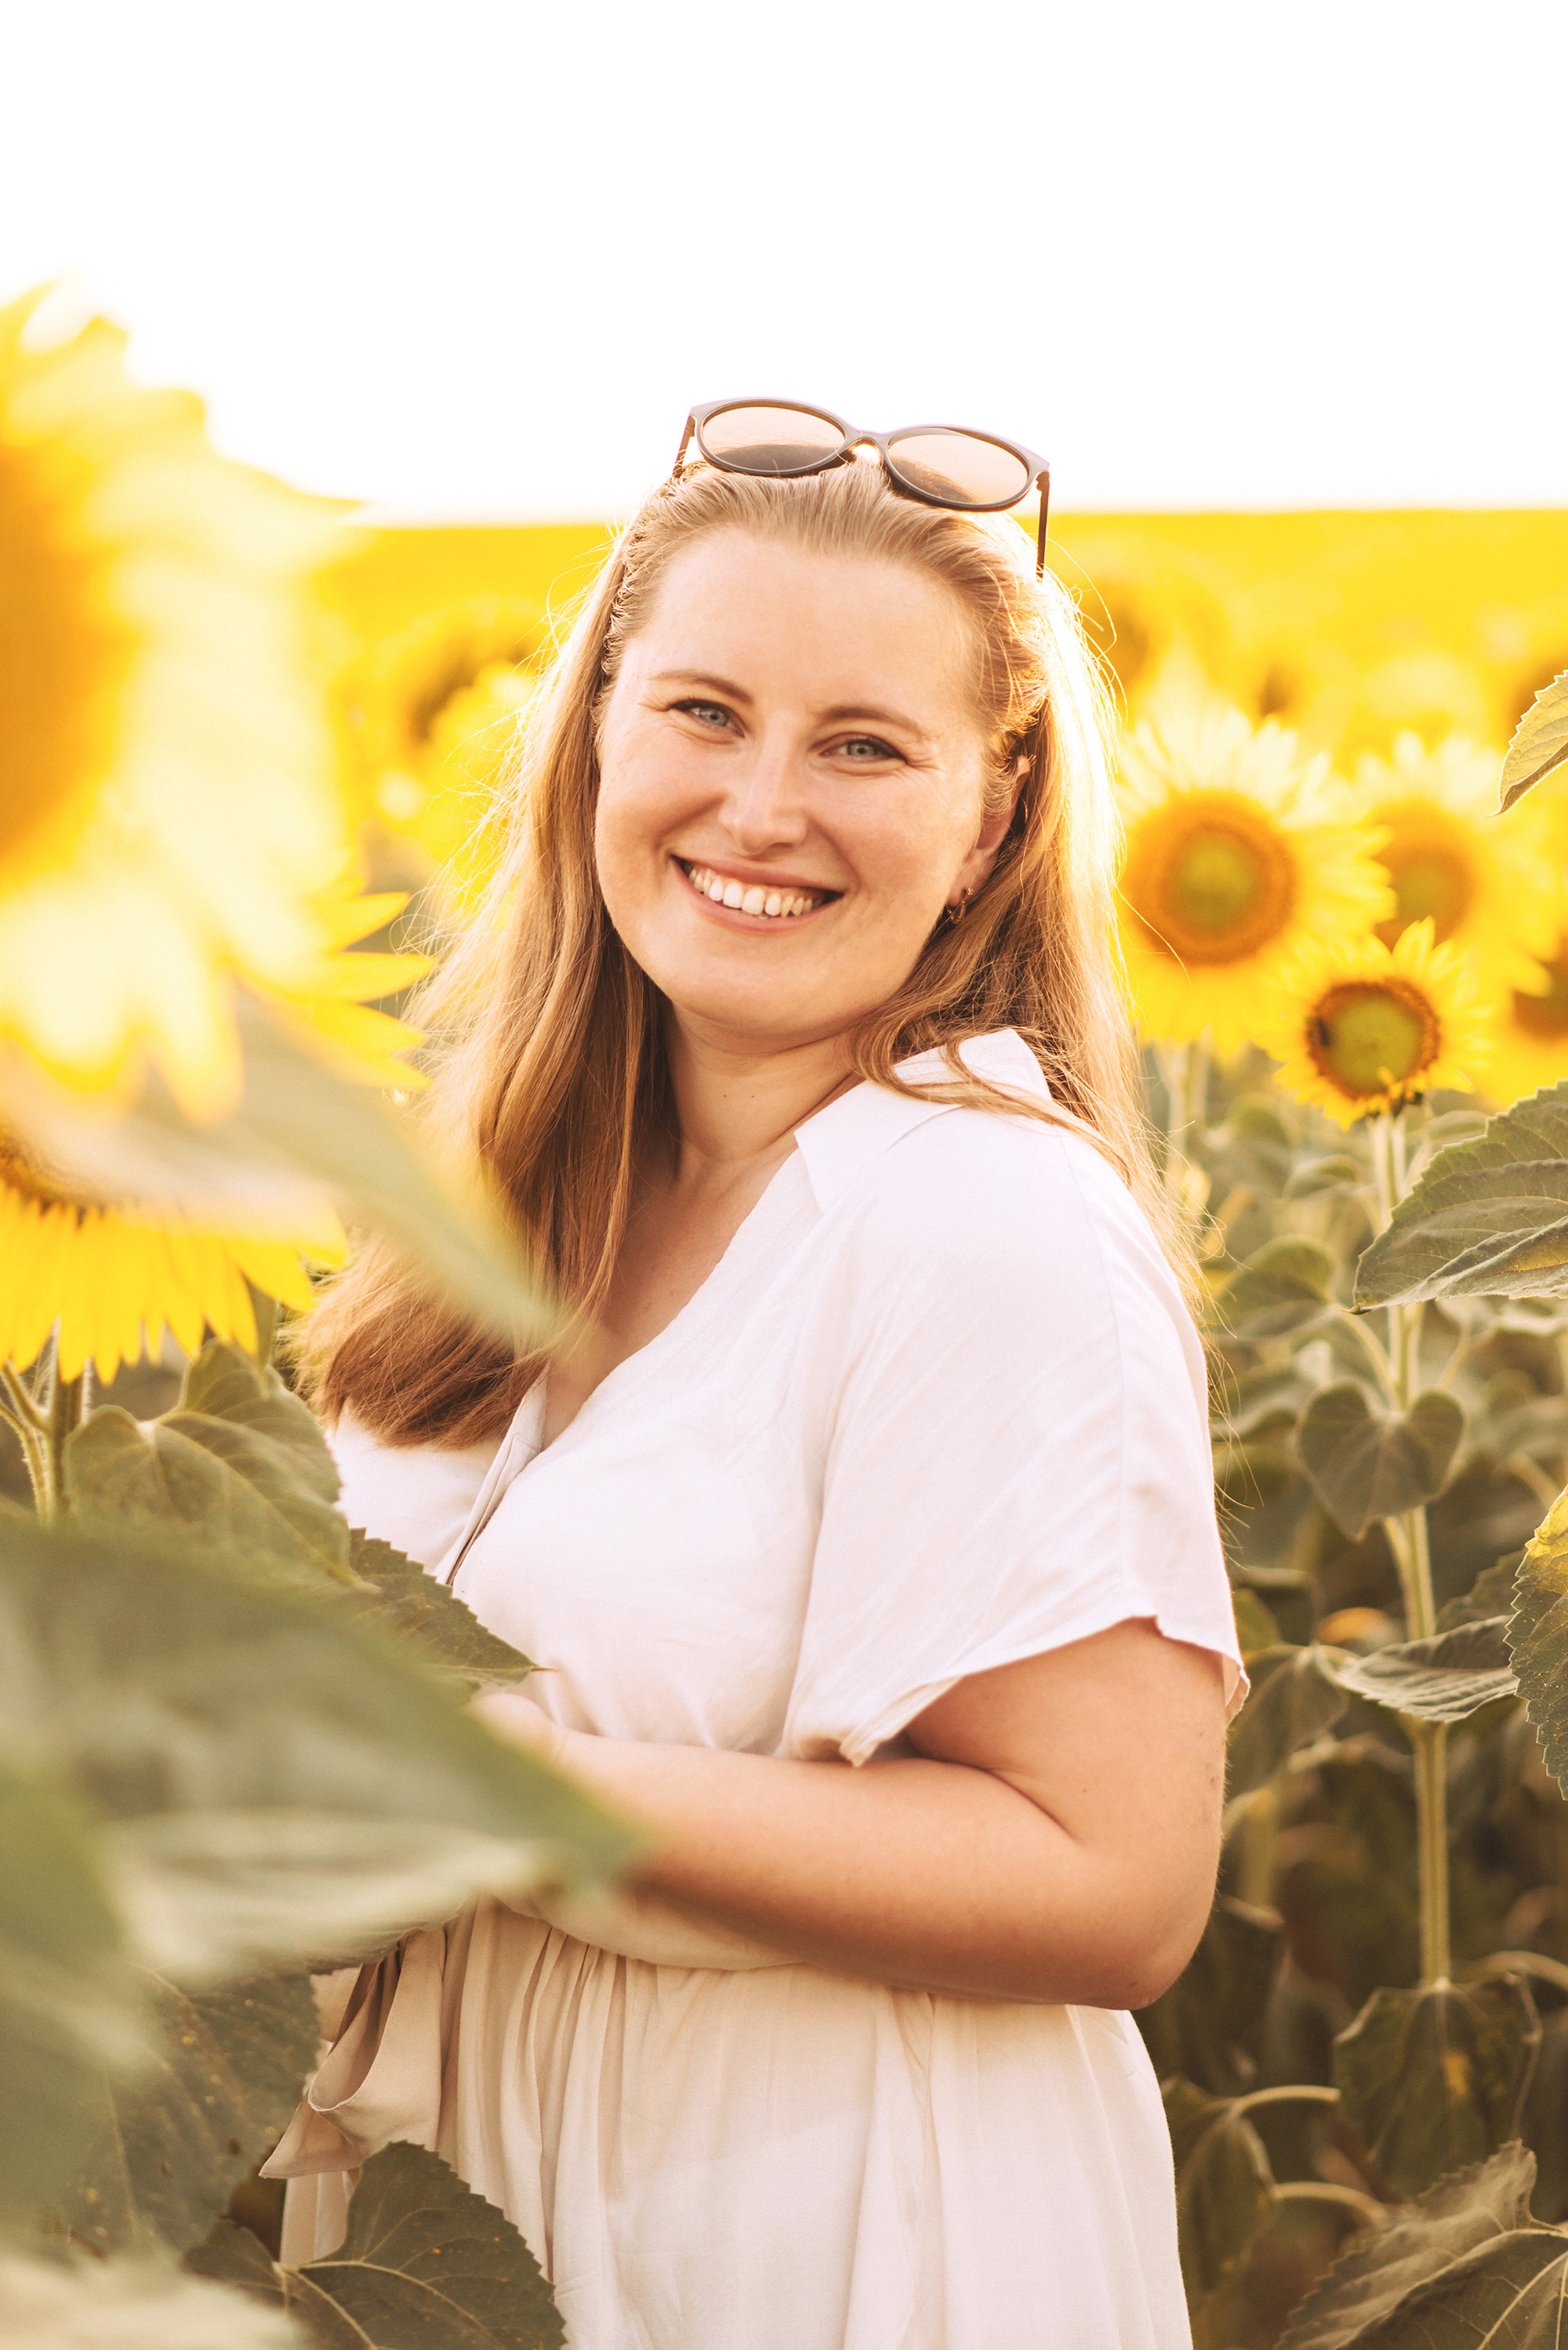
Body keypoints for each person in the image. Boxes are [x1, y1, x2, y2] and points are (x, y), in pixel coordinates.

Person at [267, 404, 1243, 2350]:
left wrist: (494, 1785)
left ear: (991, 815)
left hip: (824, 2238)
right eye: (703, 710)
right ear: (600, 732)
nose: (761, 804)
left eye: (864, 744)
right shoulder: (490, 1203)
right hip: (471, 2221)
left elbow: (1113, 1880)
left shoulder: (978, 1217)